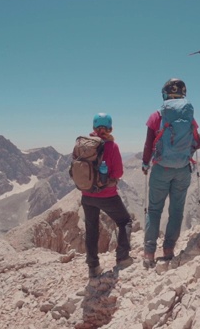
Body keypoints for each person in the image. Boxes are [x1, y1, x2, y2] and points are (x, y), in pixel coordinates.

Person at [141, 78, 200, 268]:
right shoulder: (189, 116)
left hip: (161, 169)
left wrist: (145, 164)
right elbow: (198, 142)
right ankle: (168, 251)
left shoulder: (157, 116)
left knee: (154, 209)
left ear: (165, 93)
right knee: (176, 211)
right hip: (183, 170)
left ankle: (149, 253)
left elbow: (149, 144)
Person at [81, 113, 133, 278]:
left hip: (87, 194)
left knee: (91, 228)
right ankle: (123, 257)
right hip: (107, 195)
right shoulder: (112, 146)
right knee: (124, 221)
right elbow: (118, 172)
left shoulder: (84, 144)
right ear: (110, 128)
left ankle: (93, 267)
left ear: (94, 128)